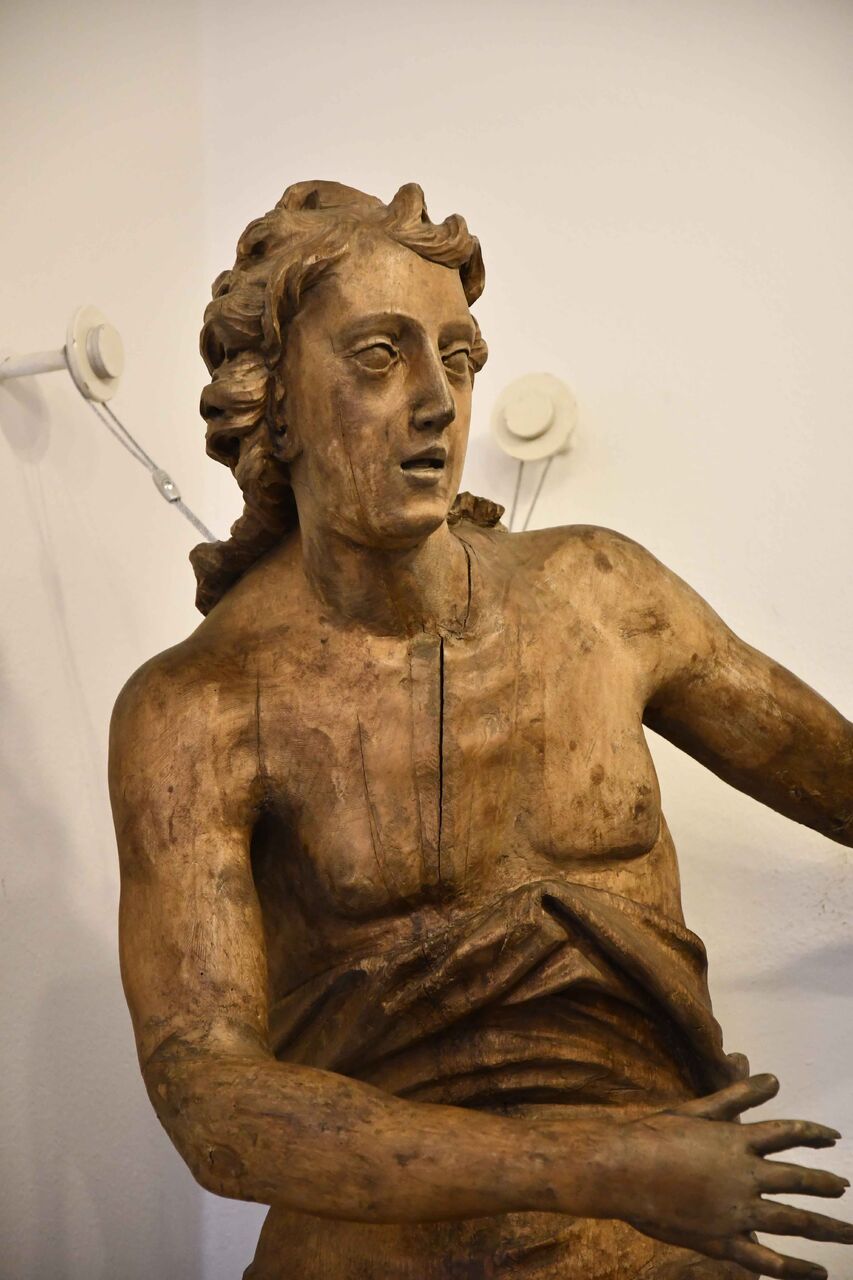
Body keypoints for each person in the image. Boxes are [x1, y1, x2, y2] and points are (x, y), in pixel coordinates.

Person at [109, 181, 853, 1280]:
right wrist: (600, 1165)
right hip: (382, 1256)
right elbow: (209, 1099)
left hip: (658, 1245)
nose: (436, 401)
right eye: (378, 356)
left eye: (456, 359)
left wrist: (630, 1181)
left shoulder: (602, 595)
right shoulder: (199, 708)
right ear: (277, 406)